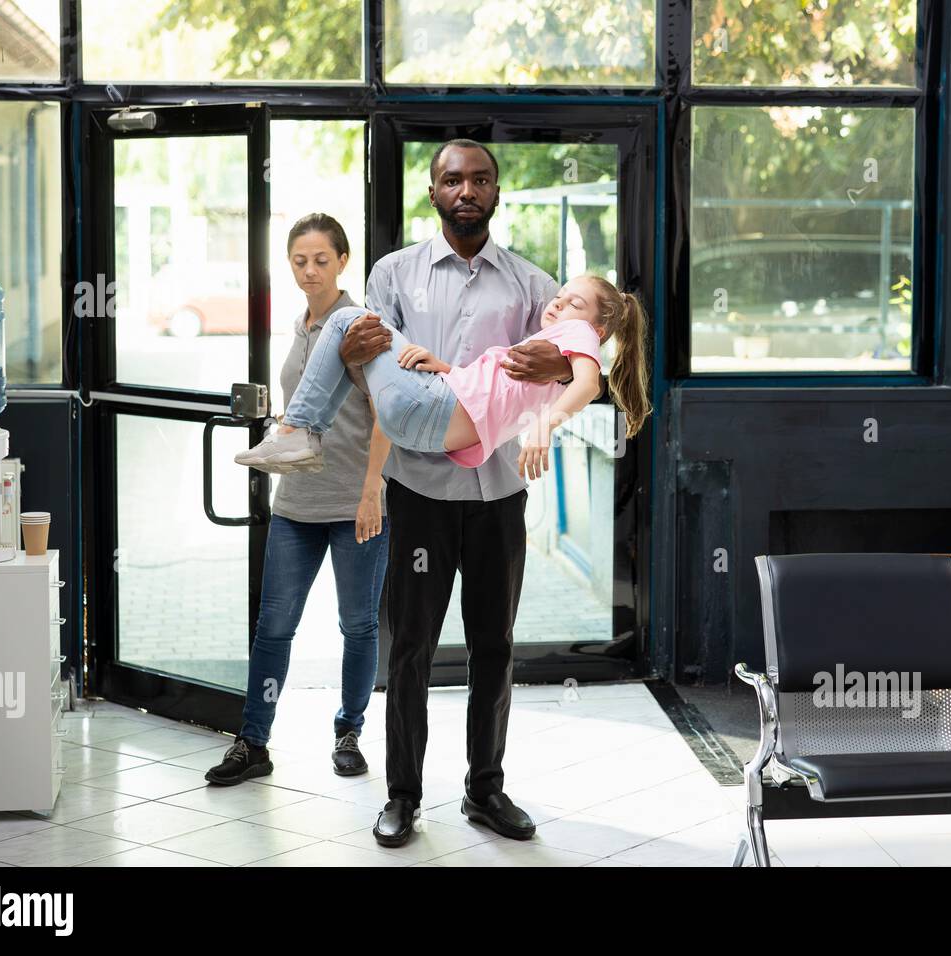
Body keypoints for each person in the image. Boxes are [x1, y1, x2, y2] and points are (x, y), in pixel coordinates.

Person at [341, 139, 647, 848]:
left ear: (497, 192)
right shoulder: (394, 275)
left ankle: (486, 790)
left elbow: (574, 354)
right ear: (433, 190)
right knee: (411, 646)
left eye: (480, 178)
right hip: (418, 490)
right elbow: (373, 374)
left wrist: (563, 369)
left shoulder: (534, 286)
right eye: (453, 179)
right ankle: (403, 798)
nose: (467, 189)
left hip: (498, 493)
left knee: (494, 647)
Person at [205, 213, 392, 786]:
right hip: (297, 503)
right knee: (274, 626)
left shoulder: (357, 326)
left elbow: (386, 413)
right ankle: (253, 742)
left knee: (357, 626)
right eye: (298, 261)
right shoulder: (301, 325)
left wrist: (371, 491)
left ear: (343, 261)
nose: (309, 271)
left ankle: (349, 731)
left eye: (320, 260)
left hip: (354, 500)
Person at [233, 273, 651, 480]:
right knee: (360, 346)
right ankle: (303, 434)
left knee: (346, 317)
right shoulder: (547, 355)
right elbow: (495, 393)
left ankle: (298, 431)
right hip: (430, 430)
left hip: (430, 411)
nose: (559, 305)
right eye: (558, 296)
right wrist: (445, 367)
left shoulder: (579, 339)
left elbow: (589, 384)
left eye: (574, 302)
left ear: (598, 328)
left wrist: (546, 426)